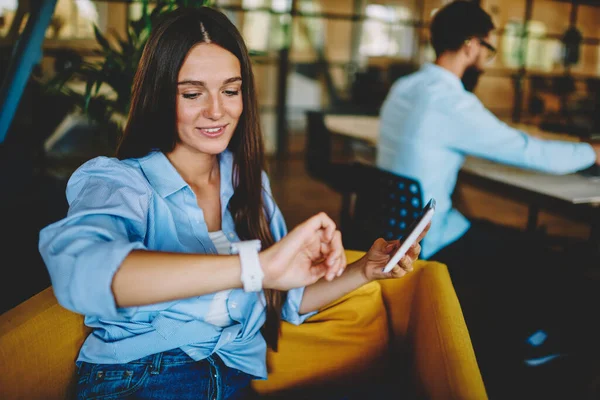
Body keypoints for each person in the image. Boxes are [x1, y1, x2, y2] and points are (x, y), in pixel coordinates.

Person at [38, 7, 426, 400]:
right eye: (192, 93)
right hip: (144, 377)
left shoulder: (247, 181)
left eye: (230, 90)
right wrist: (252, 267)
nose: (217, 111)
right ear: (159, 95)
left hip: (234, 373)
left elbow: (284, 297)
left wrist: (365, 271)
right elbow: (81, 272)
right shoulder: (120, 181)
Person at [376, 0, 600, 394]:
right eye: (488, 49)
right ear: (470, 45)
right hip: (429, 238)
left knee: (499, 236)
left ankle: (511, 327)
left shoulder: (405, 87)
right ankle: (532, 343)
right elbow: (530, 152)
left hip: (391, 224)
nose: (487, 60)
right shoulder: (451, 101)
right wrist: (593, 152)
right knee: (533, 252)